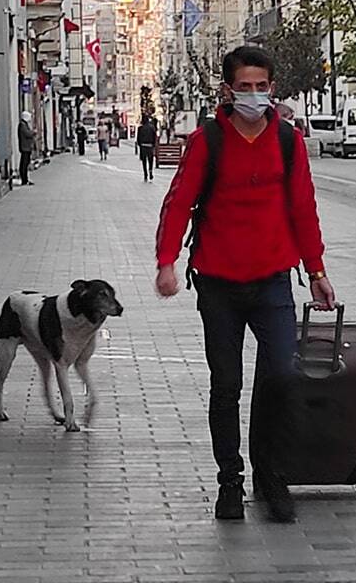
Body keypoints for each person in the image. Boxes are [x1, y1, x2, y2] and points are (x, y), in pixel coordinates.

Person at [154, 45, 336, 524]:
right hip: (218, 282)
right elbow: (178, 205)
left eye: (262, 87)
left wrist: (316, 272)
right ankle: (229, 482)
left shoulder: (287, 141)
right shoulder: (207, 141)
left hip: (274, 279)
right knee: (226, 386)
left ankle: (272, 475)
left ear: (272, 89)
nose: (254, 96)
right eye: (245, 88)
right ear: (227, 90)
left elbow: (303, 209)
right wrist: (166, 262)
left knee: (282, 377)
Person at [17, 111, 36, 186]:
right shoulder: (22, 125)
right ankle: (24, 179)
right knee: (24, 163)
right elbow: (27, 134)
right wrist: (33, 132)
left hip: (26, 147)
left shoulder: (24, 124)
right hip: (25, 147)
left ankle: (25, 179)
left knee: (25, 163)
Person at [137, 118, 157, 182]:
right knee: (150, 160)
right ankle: (150, 171)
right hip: (150, 146)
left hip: (143, 146)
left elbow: (138, 138)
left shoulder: (140, 128)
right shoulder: (152, 128)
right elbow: (154, 137)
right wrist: (153, 145)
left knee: (144, 161)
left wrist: (140, 145)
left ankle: (145, 174)